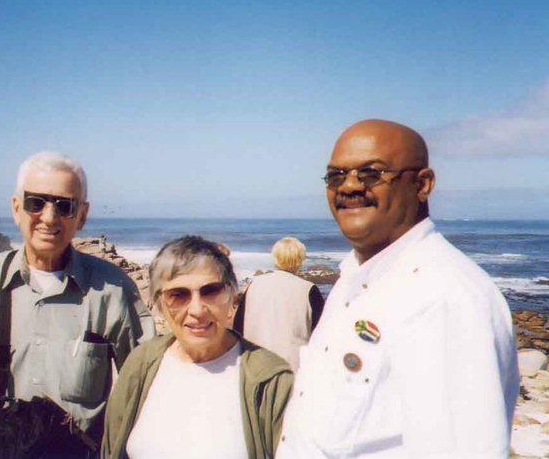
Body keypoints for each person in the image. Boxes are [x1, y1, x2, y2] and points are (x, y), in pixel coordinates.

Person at [276, 119, 519, 458]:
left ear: (422, 184)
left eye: (371, 174)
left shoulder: (446, 295)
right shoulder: (354, 280)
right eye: (336, 176)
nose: (348, 187)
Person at [0, 151, 156, 455]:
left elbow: (144, 378)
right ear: (17, 208)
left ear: (82, 215)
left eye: (64, 206)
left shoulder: (113, 289)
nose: (49, 217)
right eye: (36, 203)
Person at [102, 236, 294, 459]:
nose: (197, 310)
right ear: (160, 304)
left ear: (233, 298)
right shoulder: (141, 364)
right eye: (178, 295)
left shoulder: (272, 380)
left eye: (210, 291)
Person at [234, 237, 325, 372]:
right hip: (292, 368)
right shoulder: (308, 289)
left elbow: (238, 327)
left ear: (275, 257)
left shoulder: (253, 284)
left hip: (255, 366)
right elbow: (321, 334)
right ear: (300, 259)